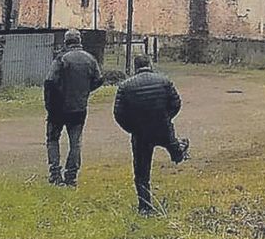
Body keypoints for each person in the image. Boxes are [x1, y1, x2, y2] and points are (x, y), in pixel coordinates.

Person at [113, 55, 190, 214]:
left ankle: (145, 206)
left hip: (140, 133)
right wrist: (166, 118)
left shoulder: (125, 86)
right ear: (150, 64)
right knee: (172, 144)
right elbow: (176, 103)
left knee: (141, 171)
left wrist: (132, 128)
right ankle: (179, 150)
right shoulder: (164, 81)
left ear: (135, 67)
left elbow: (119, 114)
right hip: (162, 127)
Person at [43, 29, 103, 187]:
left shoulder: (62, 59)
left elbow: (50, 81)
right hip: (79, 108)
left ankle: (55, 174)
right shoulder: (90, 59)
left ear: (66, 42)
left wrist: (50, 103)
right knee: (75, 143)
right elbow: (99, 80)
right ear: (79, 41)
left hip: (58, 108)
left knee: (53, 139)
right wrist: (85, 91)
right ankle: (71, 176)